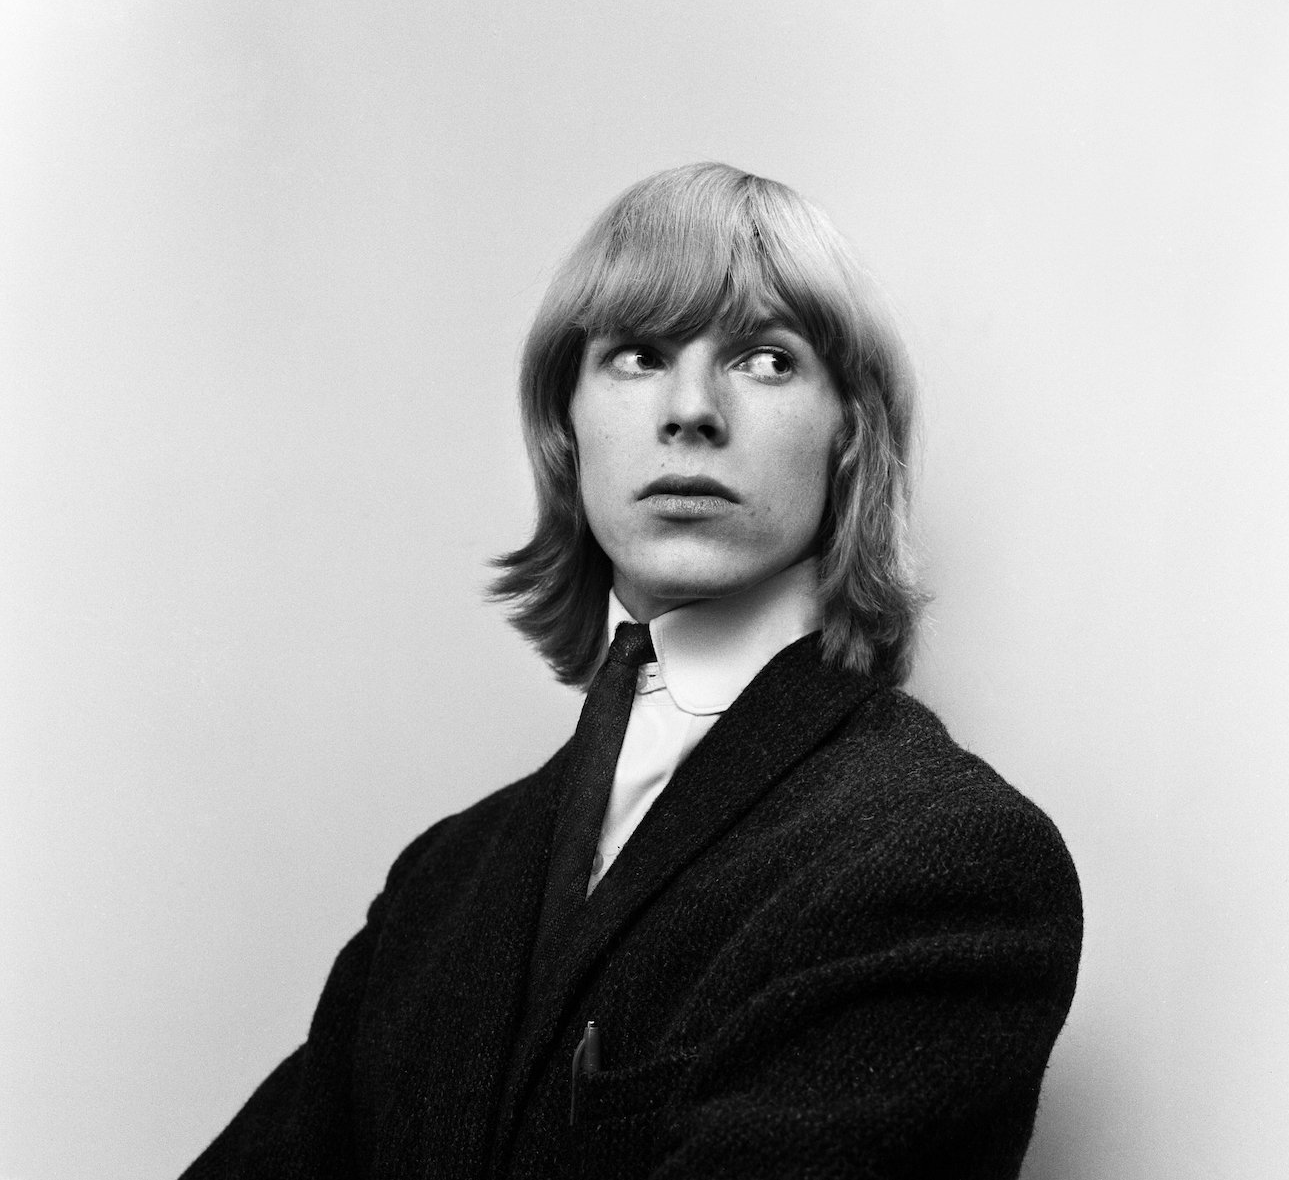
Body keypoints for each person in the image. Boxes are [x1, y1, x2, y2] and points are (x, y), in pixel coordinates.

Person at [182, 163, 1083, 1179]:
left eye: (766, 360)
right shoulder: (441, 881)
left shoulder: (946, 855)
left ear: (849, 440)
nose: (691, 409)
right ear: (566, 431)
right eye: (639, 354)